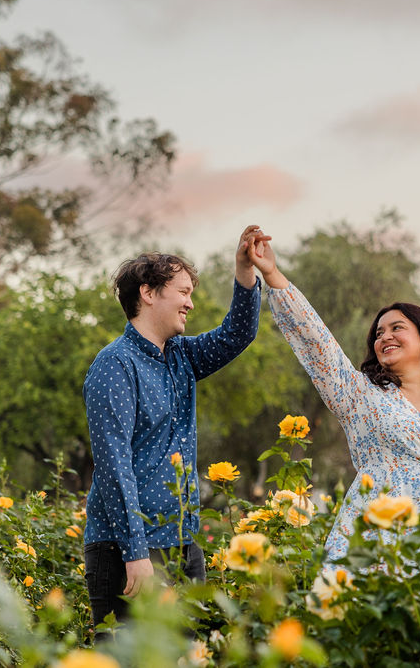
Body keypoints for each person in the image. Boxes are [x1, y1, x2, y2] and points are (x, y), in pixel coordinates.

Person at [247, 234, 420, 568]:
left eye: (396, 328)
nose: (385, 337)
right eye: (378, 334)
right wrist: (274, 275)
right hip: (373, 536)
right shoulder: (360, 394)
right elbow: (318, 344)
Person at [82, 225, 267, 634]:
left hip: (182, 546)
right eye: (182, 292)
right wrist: (136, 554)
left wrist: (244, 270)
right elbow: (114, 466)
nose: (190, 303)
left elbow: (238, 334)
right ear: (148, 293)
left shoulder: (182, 356)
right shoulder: (115, 365)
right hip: (126, 553)